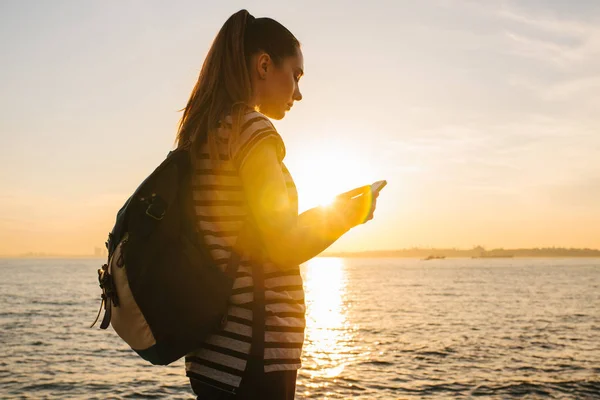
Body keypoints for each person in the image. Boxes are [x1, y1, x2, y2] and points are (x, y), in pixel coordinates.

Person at [175, 9, 378, 400]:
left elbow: (247, 234)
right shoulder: (251, 130)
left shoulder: (206, 133)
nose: (298, 92)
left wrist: (330, 208)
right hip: (254, 356)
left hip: (212, 356)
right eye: (296, 75)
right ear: (265, 65)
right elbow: (282, 244)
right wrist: (350, 214)